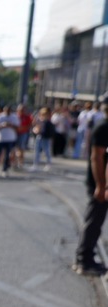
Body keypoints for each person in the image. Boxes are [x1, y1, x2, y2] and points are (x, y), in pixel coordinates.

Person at [76, 98, 108, 277]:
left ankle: (85, 257)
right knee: (94, 221)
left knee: (96, 220)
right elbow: (96, 158)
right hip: (100, 183)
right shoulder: (103, 128)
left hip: (103, 183)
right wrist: (101, 186)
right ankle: (84, 260)